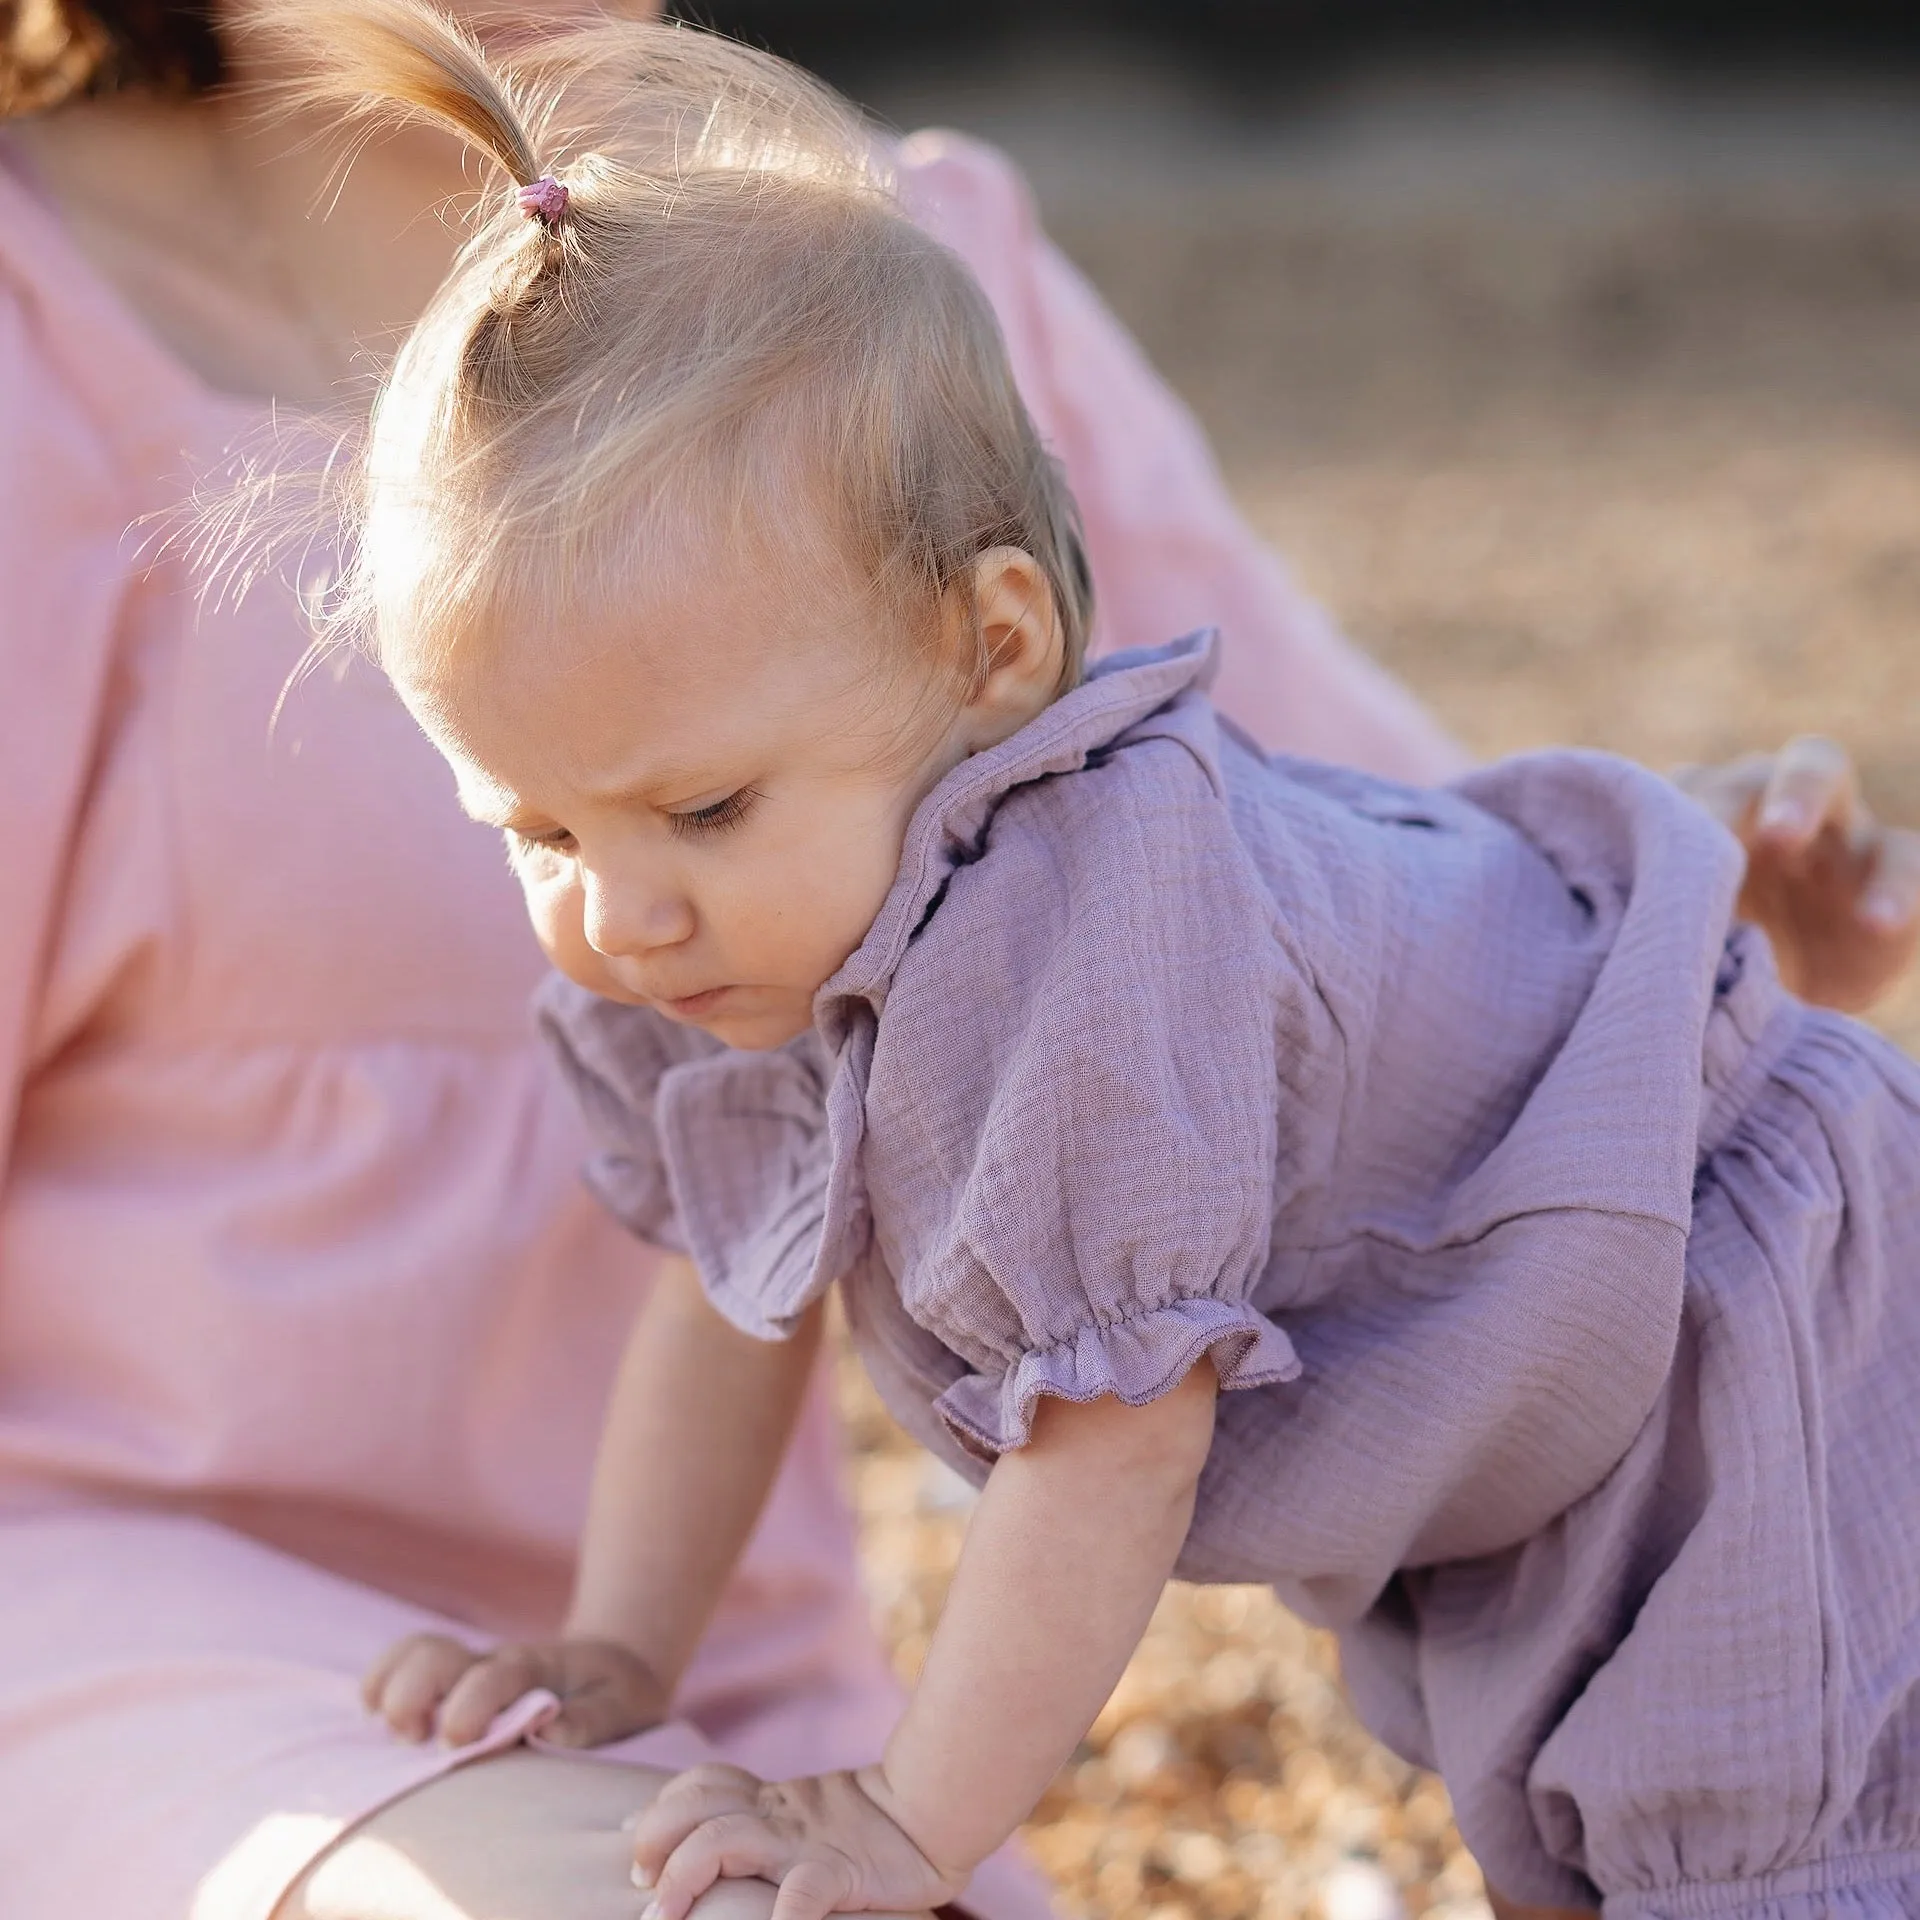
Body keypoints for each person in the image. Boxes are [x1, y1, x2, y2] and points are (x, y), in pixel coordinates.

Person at [0, 3, 1912, 1919]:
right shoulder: (720, 915)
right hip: (146, 1614)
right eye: (537, 834)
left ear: (996, 643)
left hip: (1720, 1356)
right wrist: (622, 1652)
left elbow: (1125, 1426)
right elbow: (729, 1285)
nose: (620, 914)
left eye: (709, 808)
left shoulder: (1068, 915)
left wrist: (911, 1819)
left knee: (1755, 1838)